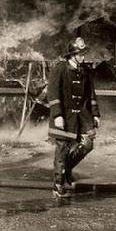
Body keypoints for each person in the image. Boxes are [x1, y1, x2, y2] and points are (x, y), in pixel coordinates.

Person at [47, 36, 101, 198]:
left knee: (88, 144)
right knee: (62, 149)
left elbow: (90, 94)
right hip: (64, 116)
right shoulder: (60, 69)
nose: (83, 57)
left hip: (82, 117)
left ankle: (65, 170)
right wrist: (57, 115)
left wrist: (95, 114)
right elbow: (53, 93)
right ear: (72, 55)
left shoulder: (85, 71)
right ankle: (58, 185)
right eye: (80, 54)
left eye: (84, 53)